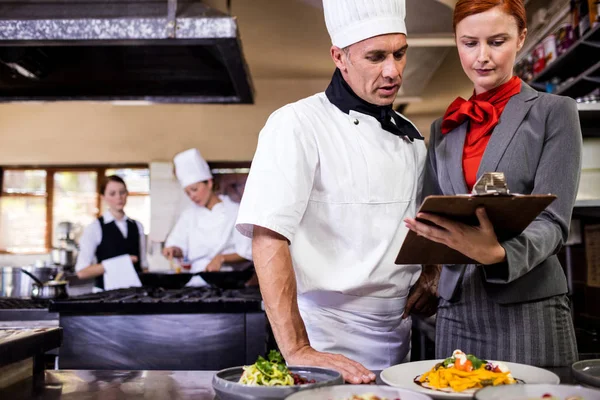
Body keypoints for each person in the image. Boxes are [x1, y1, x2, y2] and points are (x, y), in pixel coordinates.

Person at [236, 0, 440, 384]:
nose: (392, 70)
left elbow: (420, 223)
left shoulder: (411, 137)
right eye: (375, 56)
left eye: (400, 54)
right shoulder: (296, 124)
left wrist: (432, 273)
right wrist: (298, 349)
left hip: (397, 337)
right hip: (322, 336)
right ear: (339, 57)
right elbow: (268, 238)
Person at [404, 0, 582, 366]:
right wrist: (430, 272)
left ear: (521, 39)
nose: (482, 57)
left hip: (527, 304)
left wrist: (499, 255)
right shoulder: (444, 128)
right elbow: (432, 211)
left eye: (496, 41)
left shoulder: (554, 113)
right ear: (456, 42)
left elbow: (553, 223)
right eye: (469, 43)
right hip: (456, 307)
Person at [163, 148, 252, 285]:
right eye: (188, 193)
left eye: (194, 189)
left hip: (227, 280)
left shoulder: (234, 211)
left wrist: (221, 258)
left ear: (209, 183)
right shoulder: (188, 215)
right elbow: (178, 244)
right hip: (195, 281)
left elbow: (247, 252)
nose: (192, 196)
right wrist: (174, 250)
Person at [76, 175, 148, 290]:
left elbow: (143, 266)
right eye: (112, 193)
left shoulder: (137, 226)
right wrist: (122, 262)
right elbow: (82, 272)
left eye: (122, 192)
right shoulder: (94, 228)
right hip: (105, 295)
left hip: (136, 294)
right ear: (103, 197)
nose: (119, 197)